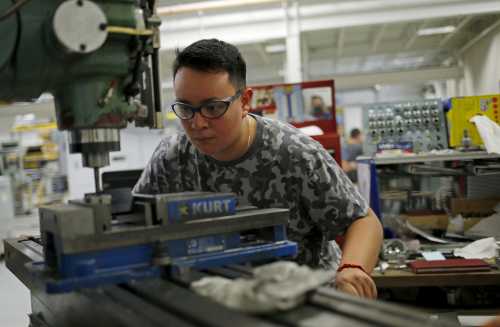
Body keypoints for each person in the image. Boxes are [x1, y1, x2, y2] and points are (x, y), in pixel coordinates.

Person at [133, 39, 383, 299]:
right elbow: (135, 220)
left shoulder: (294, 154)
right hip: (216, 299)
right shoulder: (171, 157)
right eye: (186, 108)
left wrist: (353, 268)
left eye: (213, 107)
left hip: (304, 301)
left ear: (245, 101)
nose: (197, 123)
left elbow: (363, 220)